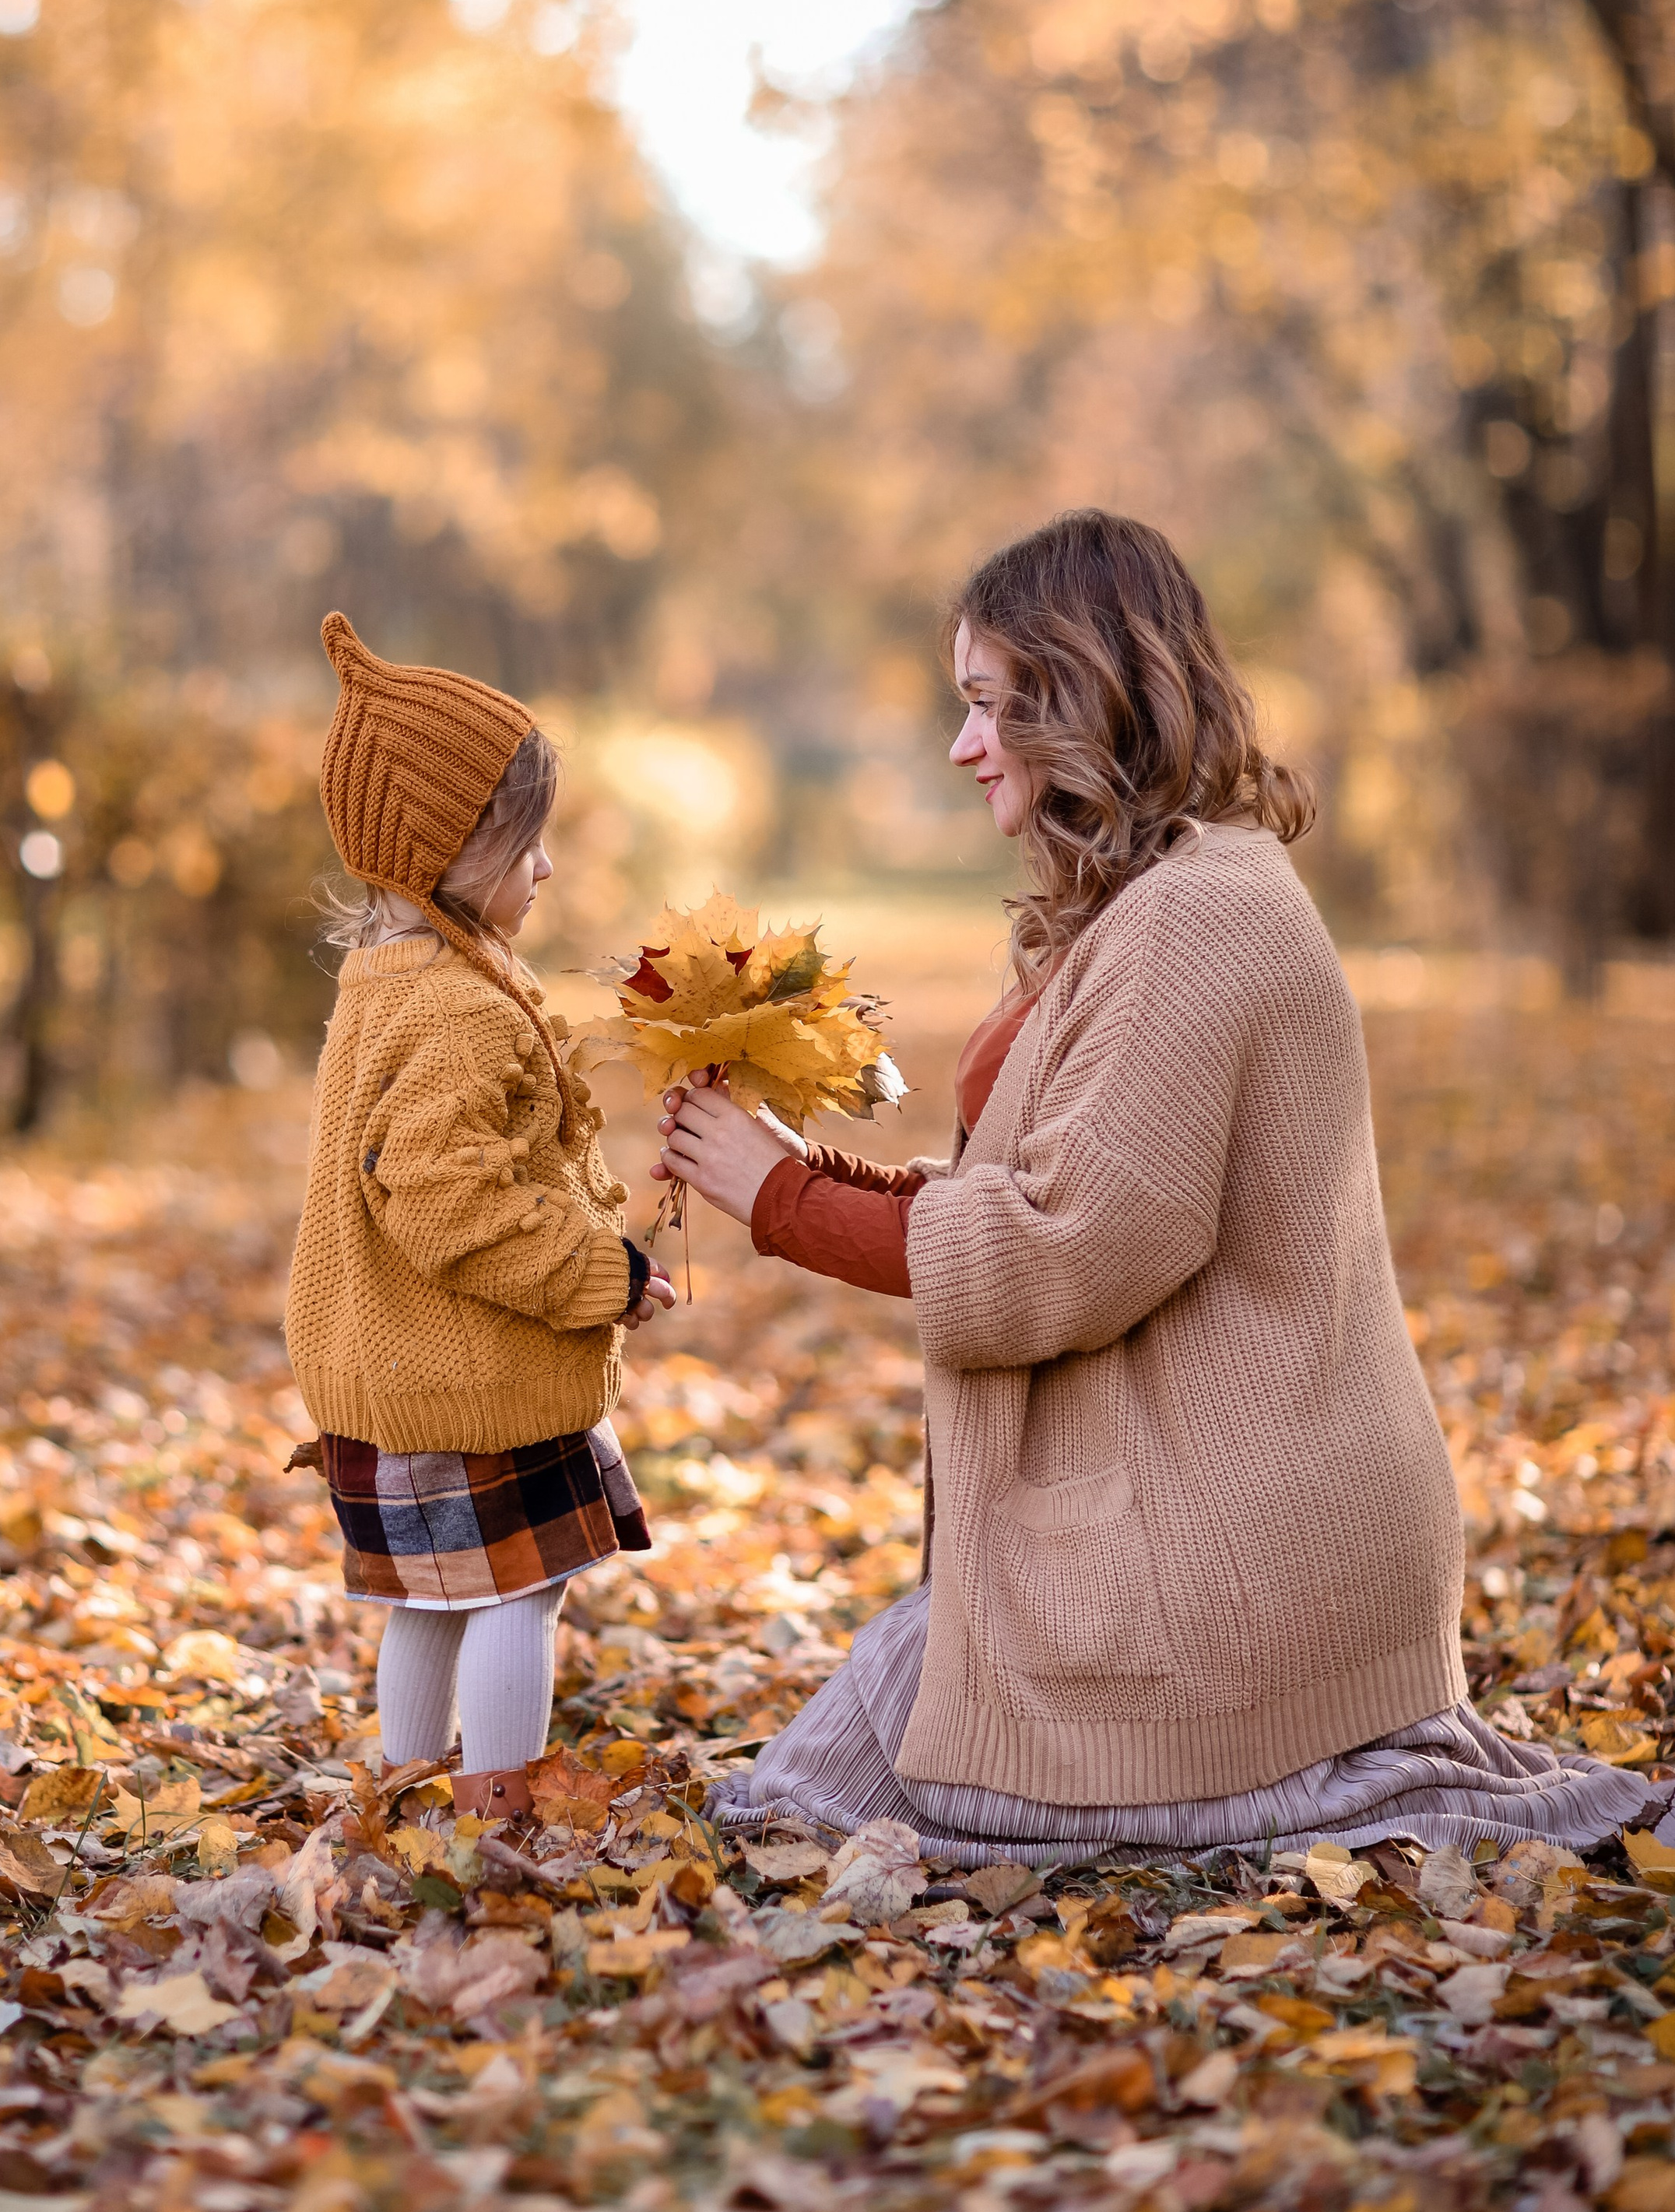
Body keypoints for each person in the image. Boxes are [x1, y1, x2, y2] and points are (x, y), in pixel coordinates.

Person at [657, 512, 1655, 1861]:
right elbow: (1047, 1189)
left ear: (1078, 700)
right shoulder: (1149, 902)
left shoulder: (1199, 919)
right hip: (1216, 1523)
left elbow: (1060, 1253)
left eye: (984, 707)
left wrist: (782, 1202)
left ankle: (1322, 1774)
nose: (962, 749)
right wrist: (799, 1172)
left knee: (894, 1777)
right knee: (861, 1739)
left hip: (1241, 1553)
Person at [284, 612, 673, 1818]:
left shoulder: (385, 982)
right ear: (449, 855)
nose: (548, 868)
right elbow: (461, 1208)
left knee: (423, 1595)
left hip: (394, 1378)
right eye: (529, 843)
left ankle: (405, 1786)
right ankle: (500, 1803)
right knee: (520, 1589)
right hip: (474, 1385)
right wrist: (603, 1273)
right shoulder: (457, 1011)